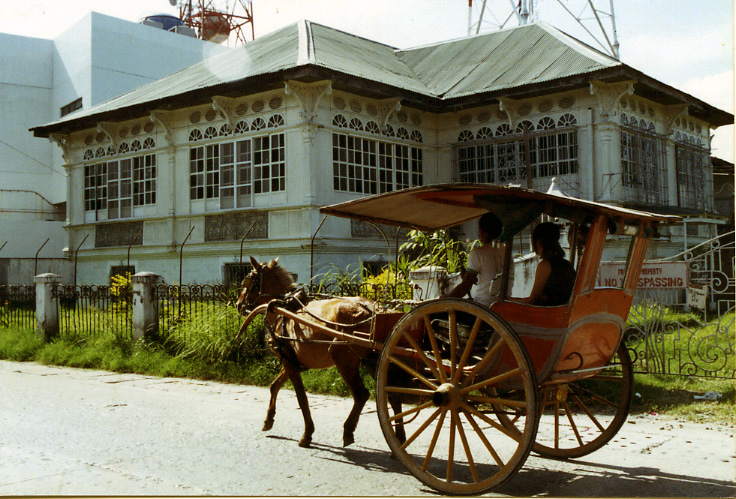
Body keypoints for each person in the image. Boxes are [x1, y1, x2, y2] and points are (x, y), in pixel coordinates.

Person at [444, 212, 513, 307]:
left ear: (484, 233)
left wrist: (445, 298)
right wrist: (468, 279)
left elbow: (465, 287)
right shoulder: (508, 252)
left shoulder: (478, 252)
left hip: (484, 308)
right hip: (504, 306)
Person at [516, 222, 576, 306]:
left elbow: (533, 300)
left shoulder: (544, 266)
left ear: (538, 242)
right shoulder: (567, 264)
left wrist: (507, 301)